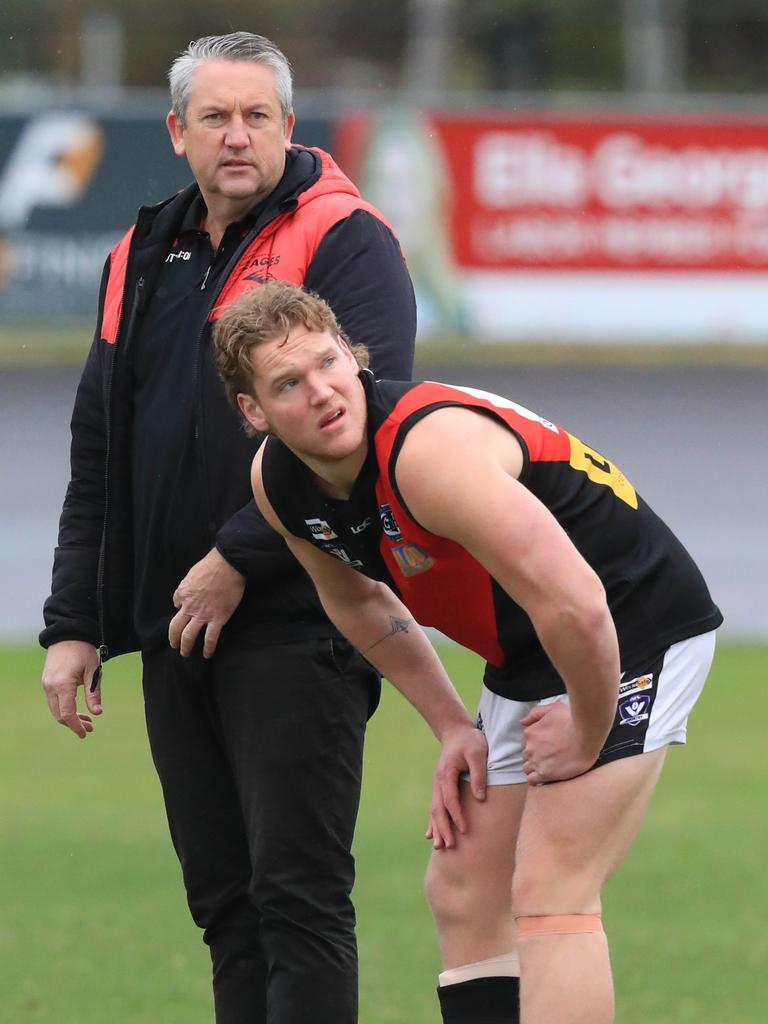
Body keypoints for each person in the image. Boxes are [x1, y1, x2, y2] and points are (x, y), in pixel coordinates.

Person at [212, 281, 723, 1024]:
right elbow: (357, 601)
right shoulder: (281, 486)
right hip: (531, 649)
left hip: (636, 623)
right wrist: (455, 726)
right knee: (462, 892)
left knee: (552, 892)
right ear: (253, 412)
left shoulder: (429, 454)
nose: (323, 392)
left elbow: (578, 602)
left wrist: (587, 727)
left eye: (329, 363)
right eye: (289, 383)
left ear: (354, 358)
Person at [39, 32, 415, 1024]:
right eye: (216, 116)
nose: (237, 134)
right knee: (226, 911)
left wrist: (234, 558)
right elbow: (101, 446)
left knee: (297, 903)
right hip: (177, 629)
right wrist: (74, 619)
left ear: (290, 126)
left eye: (258, 115)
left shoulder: (345, 236)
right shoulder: (140, 250)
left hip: (305, 620)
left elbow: (367, 417)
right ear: (177, 132)